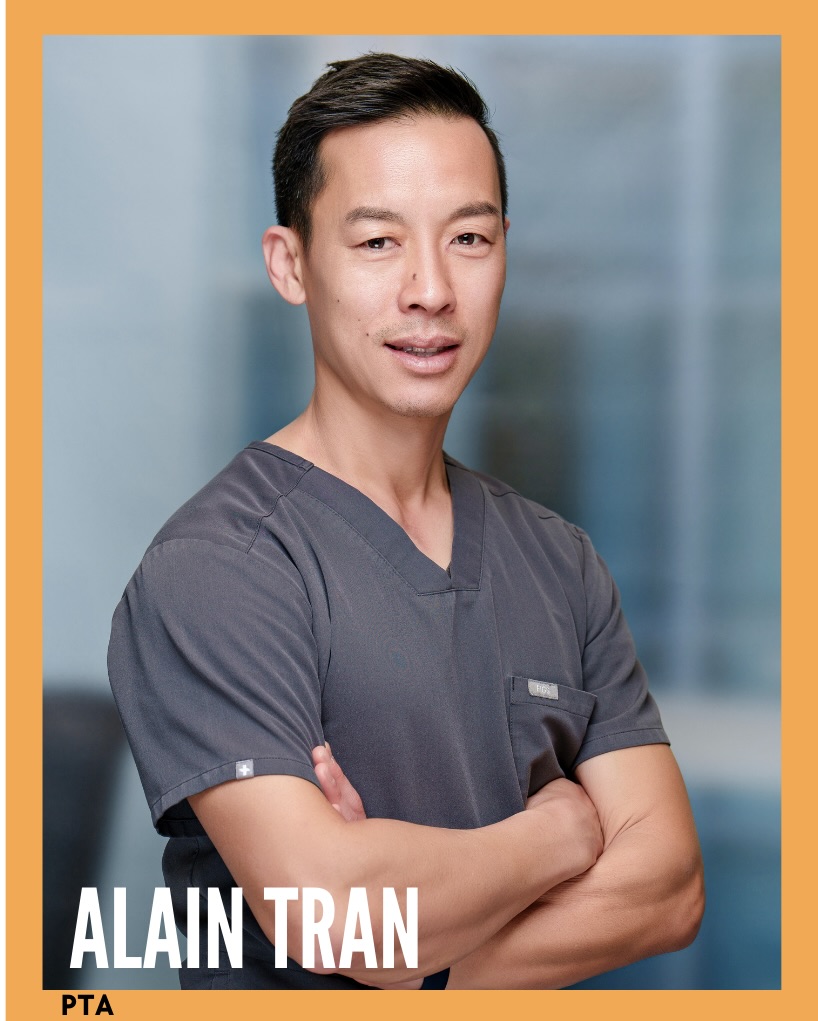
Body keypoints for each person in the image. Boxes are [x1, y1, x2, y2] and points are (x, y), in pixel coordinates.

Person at [108, 52, 704, 990]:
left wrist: (422, 972)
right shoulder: (219, 567)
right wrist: (559, 831)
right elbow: (331, 912)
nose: (430, 289)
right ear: (291, 264)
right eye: (379, 241)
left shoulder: (560, 561)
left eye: (468, 238)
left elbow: (667, 889)